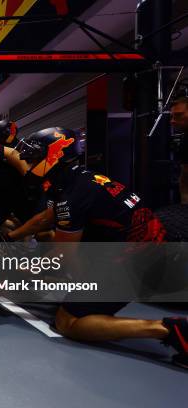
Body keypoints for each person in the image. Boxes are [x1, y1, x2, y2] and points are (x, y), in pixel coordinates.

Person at [10, 127, 187, 368]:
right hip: (147, 250)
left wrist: (16, 270)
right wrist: (13, 235)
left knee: (67, 322)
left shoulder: (72, 194)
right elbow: (45, 218)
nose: (27, 164)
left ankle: (167, 330)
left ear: (55, 156)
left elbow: (61, 256)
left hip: (138, 264)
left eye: (32, 158)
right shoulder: (77, 178)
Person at [170, 96, 188, 204]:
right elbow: (185, 177)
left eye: (179, 115)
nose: (172, 121)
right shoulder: (186, 139)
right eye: (172, 116)